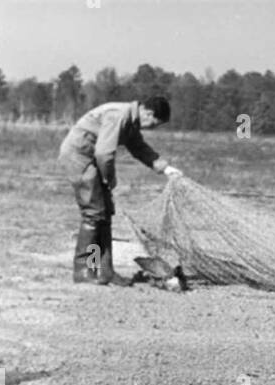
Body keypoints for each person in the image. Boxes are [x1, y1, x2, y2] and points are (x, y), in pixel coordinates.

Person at [58, 95, 184, 286]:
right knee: (94, 214)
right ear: (148, 113)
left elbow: (139, 148)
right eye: (154, 124)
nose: (152, 128)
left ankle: (105, 271)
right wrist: (109, 177)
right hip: (80, 157)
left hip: (92, 159)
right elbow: (103, 152)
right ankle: (85, 270)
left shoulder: (131, 122)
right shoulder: (119, 115)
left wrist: (165, 168)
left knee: (105, 215)